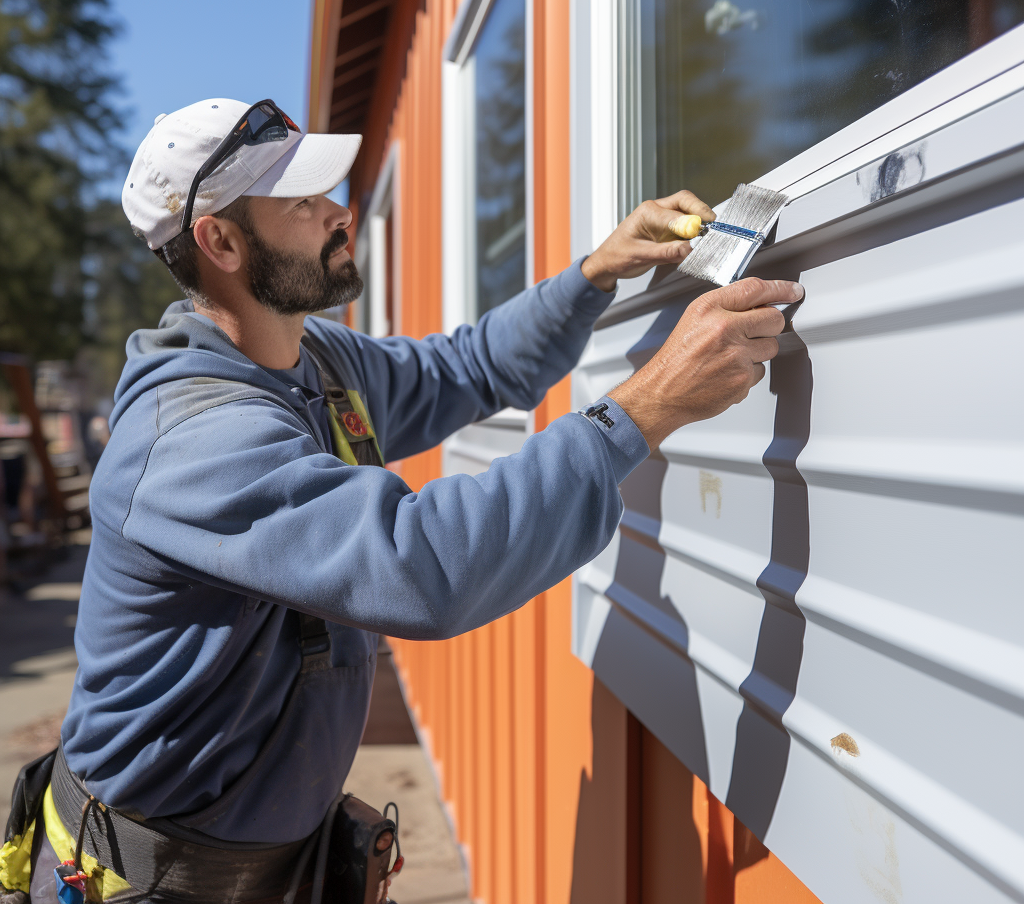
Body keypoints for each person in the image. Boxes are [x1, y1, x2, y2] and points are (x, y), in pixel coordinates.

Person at [1, 98, 801, 904]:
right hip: (145, 885)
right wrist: (646, 407)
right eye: (303, 203)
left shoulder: (314, 361)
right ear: (221, 242)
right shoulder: (190, 444)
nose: (338, 214)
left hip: (273, 869)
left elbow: (469, 368)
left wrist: (597, 273)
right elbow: (423, 568)